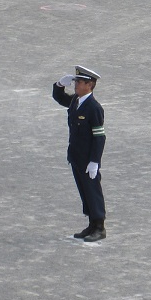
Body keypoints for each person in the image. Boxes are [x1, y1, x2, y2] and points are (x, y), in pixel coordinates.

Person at [52, 66, 107, 242]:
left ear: (89, 85)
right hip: (76, 155)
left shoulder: (93, 107)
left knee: (93, 191)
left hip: (87, 157)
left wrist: (94, 161)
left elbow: (99, 136)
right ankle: (91, 224)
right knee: (84, 192)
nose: (75, 85)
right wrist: (59, 84)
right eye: (75, 81)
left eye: (79, 82)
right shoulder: (77, 100)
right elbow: (59, 98)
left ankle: (99, 227)